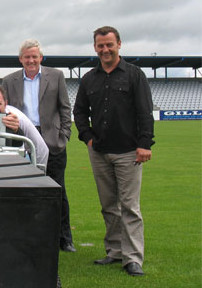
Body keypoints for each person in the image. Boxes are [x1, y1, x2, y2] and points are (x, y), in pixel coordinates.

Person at [73, 26, 154, 277]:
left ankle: (132, 258)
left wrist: (144, 144)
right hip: (99, 152)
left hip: (129, 152)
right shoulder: (88, 79)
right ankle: (115, 251)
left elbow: (144, 112)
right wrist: (87, 138)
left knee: (129, 206)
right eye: (100, 45)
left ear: (119, 44)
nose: (105, 49)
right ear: (95, 47)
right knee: (108, 205)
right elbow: (79, 112)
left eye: (109, 44)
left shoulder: (134, 75)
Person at [2, 39, 75, 253]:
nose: (31, 60)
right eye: (27, 57)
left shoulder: (56, 76)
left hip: (52, 141)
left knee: (57, 189)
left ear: (41, 58)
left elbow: (64, 108)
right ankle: (23, 232)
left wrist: (64, 136)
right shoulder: (9, 80)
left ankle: (64, 238)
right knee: (20, 188)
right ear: (21, 59)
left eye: (35, 56)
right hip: (21, 138)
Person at [0, 83, 49, 167]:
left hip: (17, 162)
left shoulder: (19, 118)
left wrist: (37, 175)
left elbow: (41, 149)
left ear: (5, 103)